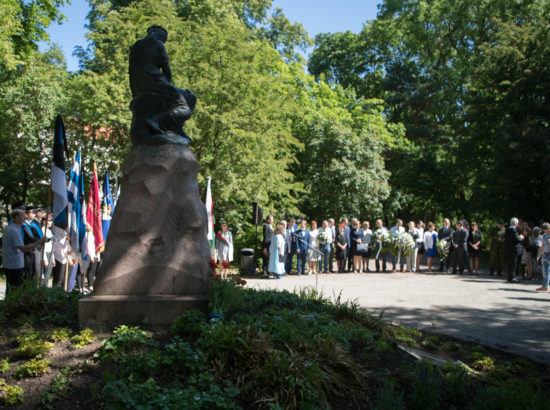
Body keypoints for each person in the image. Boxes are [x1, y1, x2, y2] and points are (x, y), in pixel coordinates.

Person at [2, 209, 47, 294]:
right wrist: (39, 242)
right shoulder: (14, 230)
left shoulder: (13, 228)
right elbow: (23, 249)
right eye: (23, 216)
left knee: (13, 288)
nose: (25, 217)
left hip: (12, 263)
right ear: (16, 218)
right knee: (14, 289)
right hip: (14, 264)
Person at [505, 217, 524, 283]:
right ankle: (512, 277)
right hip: (513, 249)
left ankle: (509, 277)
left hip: (508, 248)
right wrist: (521, 237)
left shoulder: (507, 229)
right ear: (515, 223)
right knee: (513, 263)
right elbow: (517, 239)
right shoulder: (513, 230)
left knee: (510, 263)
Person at [536, 222, 550, 291]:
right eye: (544, 230)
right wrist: (539, 255)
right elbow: (542, 246)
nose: (545, 231)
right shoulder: (544, 235)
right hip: (545, 254)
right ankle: (545, 286)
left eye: (546, 229)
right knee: (545, 272)